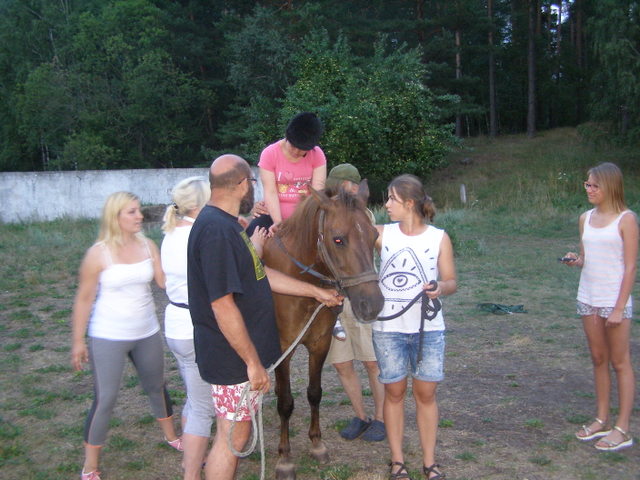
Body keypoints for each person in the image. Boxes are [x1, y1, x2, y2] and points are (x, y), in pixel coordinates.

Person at [187, 154, 342, 480]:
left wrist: (316, 292)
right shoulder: (217, 232)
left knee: (235, 433)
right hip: (231, 358)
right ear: (242, 184)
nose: (253, 189)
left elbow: (261, 274)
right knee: (233, 438)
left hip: (235, 355)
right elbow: (222, 305)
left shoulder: (229, 226)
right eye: (252, 182)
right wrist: (252, 363)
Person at [71, 192, 181, 480]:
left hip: (146, 331)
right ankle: (90, 465)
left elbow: (164, 282)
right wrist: (78, 341)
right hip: (108, 335)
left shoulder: (148, 245)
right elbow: (84, 298)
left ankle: (172, 437)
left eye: (139, 210)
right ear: (115, 216)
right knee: (105, 398)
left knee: (157, 385)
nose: (140, 216)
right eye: (132, 212)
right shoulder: (98, 253)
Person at [373, 174, 457, 480]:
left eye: (392, 199)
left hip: (428, 330)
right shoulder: (380, 234)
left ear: (409, 203)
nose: (386, 205)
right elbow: (343, 230)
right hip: (388, 330)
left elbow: (451, 281)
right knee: (394, 393)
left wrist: (440, 288)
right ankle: (397, 461)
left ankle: (429, 462)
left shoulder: (439, 238)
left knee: (426, 394)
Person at [562, 162, 637, 452]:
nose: (589, 189)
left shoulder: (627, 219)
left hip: (614, 301)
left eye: (595, 185)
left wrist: (618, 308)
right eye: (587, 184)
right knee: (598, 358)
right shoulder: (585, 218)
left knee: (620, 362)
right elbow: (586, 258)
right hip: (588, 297)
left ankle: (622, 428)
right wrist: (575, 260)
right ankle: (601, 419)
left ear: (610, 187)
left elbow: (630, 267)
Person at [324, 163, 386, 442]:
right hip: (333, 299)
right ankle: (360, 415)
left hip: (358, 296)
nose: (335, 190)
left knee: (372, 362)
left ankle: (381, 418)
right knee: (342, 363)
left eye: (340, 185)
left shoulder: (361, 212)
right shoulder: (326, 212)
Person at [160, 176, 214, 480]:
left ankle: (191, 458)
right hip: (195, 326)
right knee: (203, 409)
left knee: (195, 398)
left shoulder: (171, 233)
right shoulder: (198, 235)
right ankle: (191, 472)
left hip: (176, 324)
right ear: (199, 204)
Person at [246, 112, 327, 236]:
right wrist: (278, 223)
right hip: (273, 213)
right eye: (293, 146)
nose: (296, 151)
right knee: (250, 233)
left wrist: (306, 219)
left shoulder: (317, 155)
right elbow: (270, 192)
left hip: (306, 215)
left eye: (302, 149)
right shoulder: (269, 154)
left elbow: (317, 192)